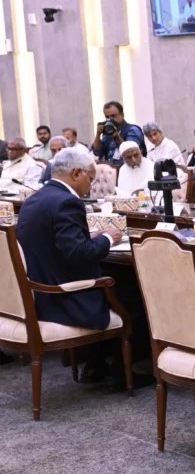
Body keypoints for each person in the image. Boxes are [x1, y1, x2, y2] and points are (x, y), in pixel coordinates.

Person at [15, 149, 123, 369]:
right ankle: (120, 372)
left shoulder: (34, 199)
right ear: (76, 173)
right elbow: (77, 254)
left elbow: (53, 241)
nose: (90, 186)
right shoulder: (67, 202)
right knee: (131, 292)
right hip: (65, 299)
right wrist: (108, 239)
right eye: (90, 179)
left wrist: (88, 236)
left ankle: (95, 366)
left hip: (39, 293)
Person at [93, 101, 146, 166]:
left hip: (130, 168)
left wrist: (117, 137)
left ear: (122, 115)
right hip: (111, 170)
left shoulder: (132, 130)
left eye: (113, 116)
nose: (110, 119)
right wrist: (98, 134)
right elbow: (97, 152)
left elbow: (131, 151)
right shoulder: (107, 130)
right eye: (107, 117)